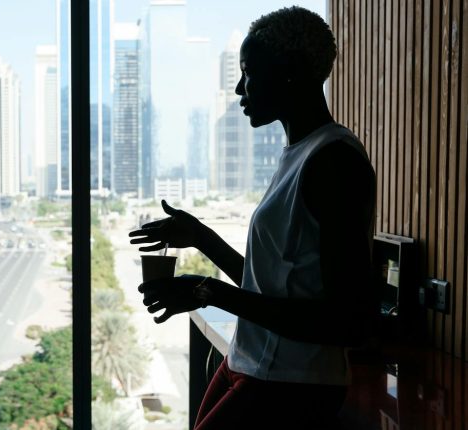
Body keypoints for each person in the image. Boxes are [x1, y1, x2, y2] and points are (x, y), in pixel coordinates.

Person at [129, 6, 377, 430]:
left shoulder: (334, 162)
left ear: (290, 72)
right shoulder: (299, 154)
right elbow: (271, 288)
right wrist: (201, 237)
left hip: (291, 385)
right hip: (251, 364)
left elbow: (347, 322)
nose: (241, 87)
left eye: (249, 72)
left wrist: (208, 292)